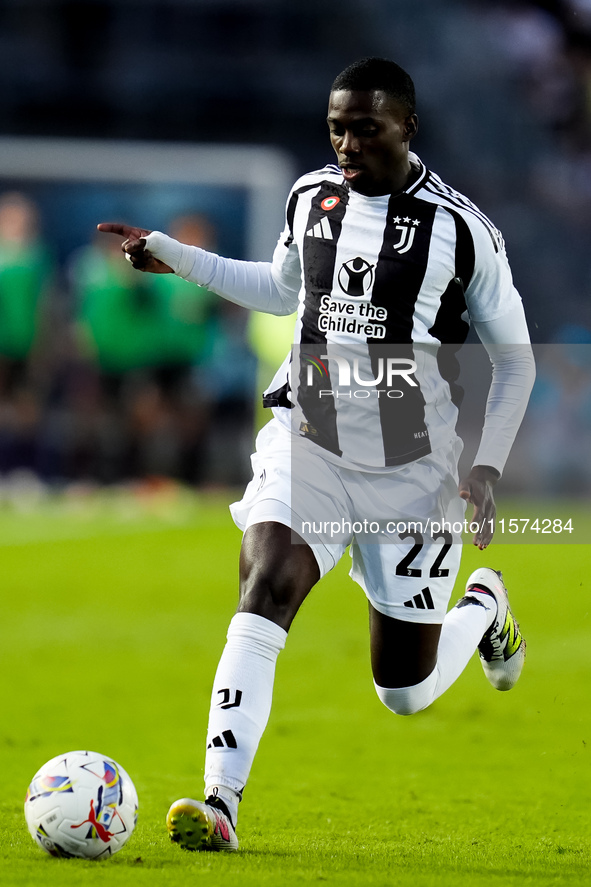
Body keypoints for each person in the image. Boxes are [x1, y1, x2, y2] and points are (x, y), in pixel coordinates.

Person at [98, 57, 536, 853]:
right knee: (265, 582)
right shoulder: (311, 198)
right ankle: (219, 800)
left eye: (365, 128)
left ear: (407, 126)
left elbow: (517, 361)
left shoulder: (463, 231)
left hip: (413, 470)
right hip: (311, 440)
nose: (346, 143)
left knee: (401, 691)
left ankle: (483, 608)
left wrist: (487, 465)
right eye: (336, 126)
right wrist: (176, 256)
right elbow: (278, 288)